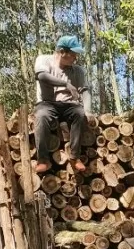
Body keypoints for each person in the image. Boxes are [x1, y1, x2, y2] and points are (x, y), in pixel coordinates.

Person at [34, 35, 93, 174]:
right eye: (73, 55)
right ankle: (43, 159)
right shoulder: (43, 60)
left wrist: (88, 110)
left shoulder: (77, 70)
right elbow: (42, 76)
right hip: (47, 103)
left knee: (79, 113)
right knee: (42, 116)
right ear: (62, 52)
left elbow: (85, 90)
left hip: (68, 105)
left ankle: (74, 157)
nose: (75, 58)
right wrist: (65, 83)